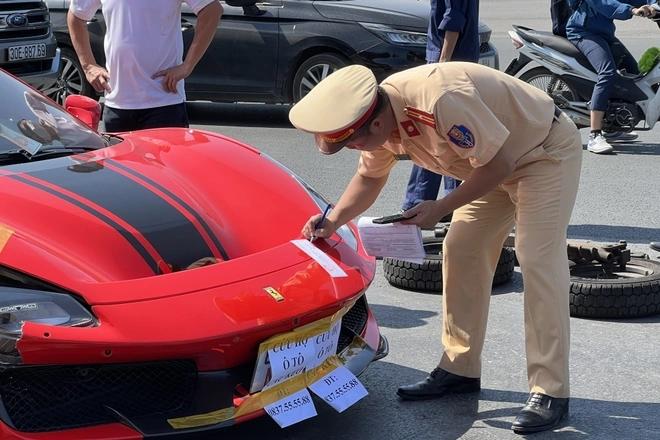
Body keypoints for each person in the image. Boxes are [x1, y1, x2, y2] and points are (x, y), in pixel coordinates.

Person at [290, 63, 583, 434]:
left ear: (376, 124)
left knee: (537, 258)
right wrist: (332, 220)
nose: (353, 149)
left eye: (353, 143)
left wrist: (440, 207)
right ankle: (459, 369)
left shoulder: (440, 99)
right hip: (487, 166)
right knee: (461, 249)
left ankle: (550, 390)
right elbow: (369, 176)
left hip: (541, 155)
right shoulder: (378, 114)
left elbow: (500, 163)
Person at [68, 0, 223, 132]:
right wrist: (88, 65)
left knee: (167, 161)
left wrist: (187, 66)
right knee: (119, 160)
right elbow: (76, 16)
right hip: (117, 103)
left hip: (164, 102)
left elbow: (212, 10)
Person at [402, 0, 480, 213]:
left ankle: (418, 202)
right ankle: (453, 203)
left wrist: (442, 64)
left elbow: (454, 19)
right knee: (453, 137)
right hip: (456, 65)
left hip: (448, 66)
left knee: (431, 135)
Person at [566, 0, 657, 154]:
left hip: (604, 34)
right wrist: (631, 10)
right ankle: (595, 134)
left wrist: (653, 5)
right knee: (607, 73)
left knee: (634, 72)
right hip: (584, 32)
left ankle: (611, 126)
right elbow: (604, 3)